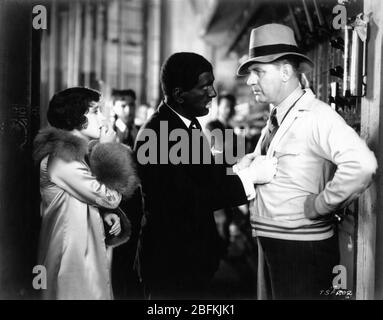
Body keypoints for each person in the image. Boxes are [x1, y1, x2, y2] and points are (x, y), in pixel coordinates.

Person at [237, 23, 378, 299]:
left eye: (258, 72)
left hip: (301, 251)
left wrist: (321, 204)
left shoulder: (316, 116)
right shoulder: (278, 116)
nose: (250, 80)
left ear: (286, 72)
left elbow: (363, 165)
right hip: (276, 243)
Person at [134, 52, 278, 299]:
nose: (212, 93)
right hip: (171, 265)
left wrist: (239, 168)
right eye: (205, 86)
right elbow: (190, 198)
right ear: (180, 94)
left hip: (189, 260)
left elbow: (203, 174)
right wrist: (249, 178)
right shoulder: (157, 136)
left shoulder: (184, 124)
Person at [33, 87, 139, 299]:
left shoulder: (76, 156)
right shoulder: (62, 159)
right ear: (76, 117)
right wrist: (107, 150)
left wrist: (102, 213)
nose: (103, 118)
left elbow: (79, 198)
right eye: (95, 111)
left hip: (80, 253)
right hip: (69, 259)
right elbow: (110, 196)